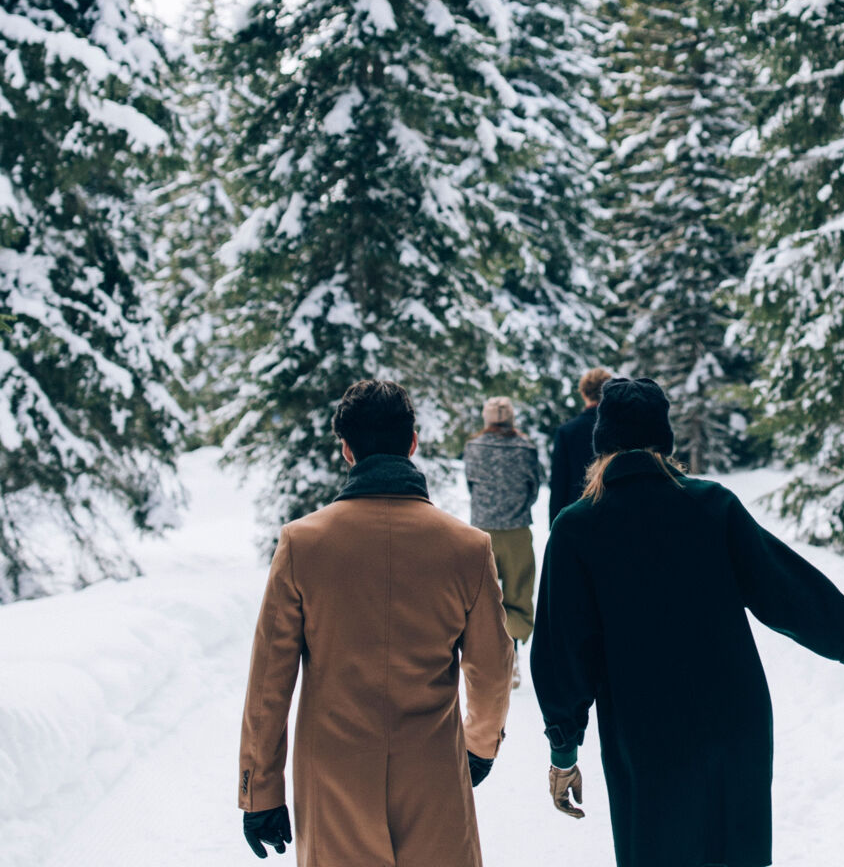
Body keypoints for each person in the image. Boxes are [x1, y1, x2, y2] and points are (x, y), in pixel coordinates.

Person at [531, 377, 844, 867]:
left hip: (647, 741)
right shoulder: (711, 507)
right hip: (736, 729)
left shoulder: (578, 527)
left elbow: (562, 653)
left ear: (602, 446)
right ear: (663, 443)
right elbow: (795, 594)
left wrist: (564, 750)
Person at [238, 380, 513, 865]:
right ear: (412, 443)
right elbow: (491, 670)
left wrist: (261, 790)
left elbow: (269, 683)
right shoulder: (468, 547)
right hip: (433, 771)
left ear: (346, 449)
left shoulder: (302, 544)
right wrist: (480, 744)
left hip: (333, 775)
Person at [463, 396, 544, 663]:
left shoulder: (473, 447)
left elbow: (471, 485)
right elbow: (534, 487)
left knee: (483, 595)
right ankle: (512, 651)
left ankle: (489, 652)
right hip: (517, 530)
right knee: (519, 594)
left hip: (482, 531)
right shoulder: (525, 448)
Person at [547, 367, 611, 524]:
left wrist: (555, 525)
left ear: (583, 393)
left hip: (576, 514)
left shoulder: (567, 431)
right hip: (616, 514)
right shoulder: (622, 428)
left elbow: (559, 482)